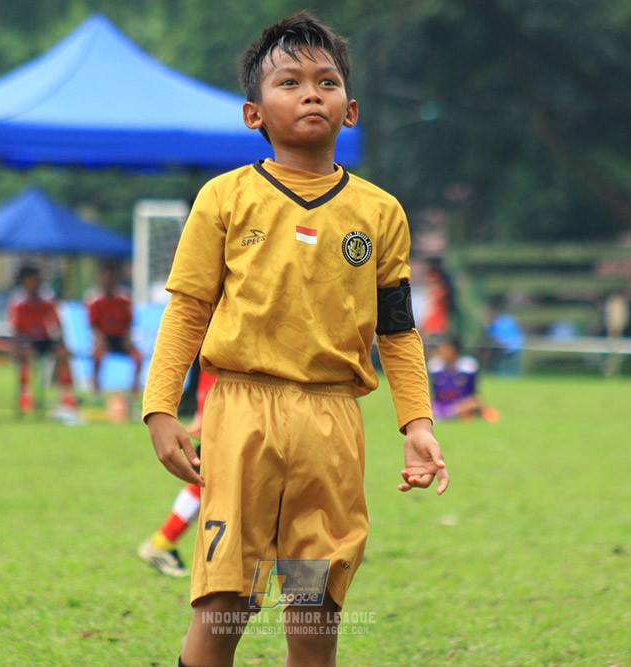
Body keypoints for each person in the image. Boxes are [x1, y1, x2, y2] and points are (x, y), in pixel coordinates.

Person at [141, 13, 447, 667]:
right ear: (254, 113)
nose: (311, 93)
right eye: (290, 81)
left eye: (326, 80)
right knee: (225, 602)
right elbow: (188, 311)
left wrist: (416, 420)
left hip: (332, 426)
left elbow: (396, 328)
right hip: (243, 416)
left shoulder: (379, 212)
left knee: (313, 608)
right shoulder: (224, 198)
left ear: (352, 108)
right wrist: (160, 408)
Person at [138, 370, 216, 577]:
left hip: (235, 395)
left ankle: (162, 542)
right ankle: (162, 542)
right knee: (213, 476)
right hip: (232, 394)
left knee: (212, 477)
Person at [8, 264, 77, 416]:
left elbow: (57, 324)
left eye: (36, 279)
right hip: (27, 340)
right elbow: (15, 328)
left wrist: (62, 343)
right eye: (30, 279)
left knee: (62, 354)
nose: (34, 282)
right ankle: (25, 395)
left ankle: (66, 396)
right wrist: (15, 346)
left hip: (45, 339)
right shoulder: (18, 301)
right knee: (26, 353)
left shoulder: (47, 298)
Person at [85, 261, 142, 399]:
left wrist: (127, 339)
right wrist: (99, 341)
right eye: (106, 276)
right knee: (97, 356)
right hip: (103, 338)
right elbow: (93, 325)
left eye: (111, 276)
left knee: (138, 357)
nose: (108, 280)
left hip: (120, 338)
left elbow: (128, 322)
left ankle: (134, 390)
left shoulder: (124, 298)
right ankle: (96, 389)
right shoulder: (94, 299)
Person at [428, 339, 499, 423]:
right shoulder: (435, 366)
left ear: (454, 351)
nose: (440, 351)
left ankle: (450, 415)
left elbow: (473, 391)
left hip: (460, 404)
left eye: (445, 348)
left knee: (473, 402)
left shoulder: (467, 367)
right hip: (440, 405)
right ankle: (447, 415)